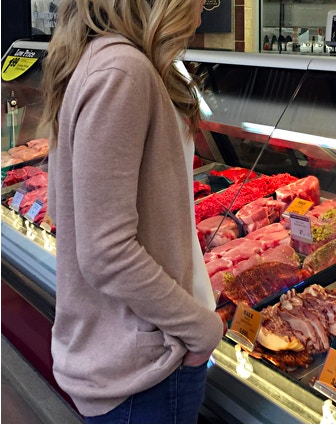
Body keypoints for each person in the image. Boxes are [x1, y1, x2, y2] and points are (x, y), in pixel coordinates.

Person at [40, 0, 225, 423]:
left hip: (126, 356)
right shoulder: (124, 72)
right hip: (144, 372)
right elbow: (106, 251)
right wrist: (201, 330)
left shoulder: (98, 59)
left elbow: (61, 206)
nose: (205, 7)